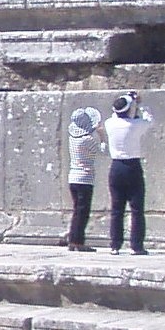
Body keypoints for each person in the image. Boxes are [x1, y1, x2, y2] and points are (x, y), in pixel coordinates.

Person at [104, 92, 153, 256]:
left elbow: (116, 113)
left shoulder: (109, 124)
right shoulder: (134, 125)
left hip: (116, 167)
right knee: (136, 208)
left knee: (116, 209)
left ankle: (115, 245)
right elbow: (149, 121)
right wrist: (140, 105)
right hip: (132, 166)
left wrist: (127, 101)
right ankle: (136, 245)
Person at [64, 108, 104, 252]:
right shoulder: (87, 140)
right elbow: (103, 151)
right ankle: (77, 241)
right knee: (83, 212)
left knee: (77, 210)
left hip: (73, 177)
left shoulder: (72, 138)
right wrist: (102, 137)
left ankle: (73, 239)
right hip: (85, 178)